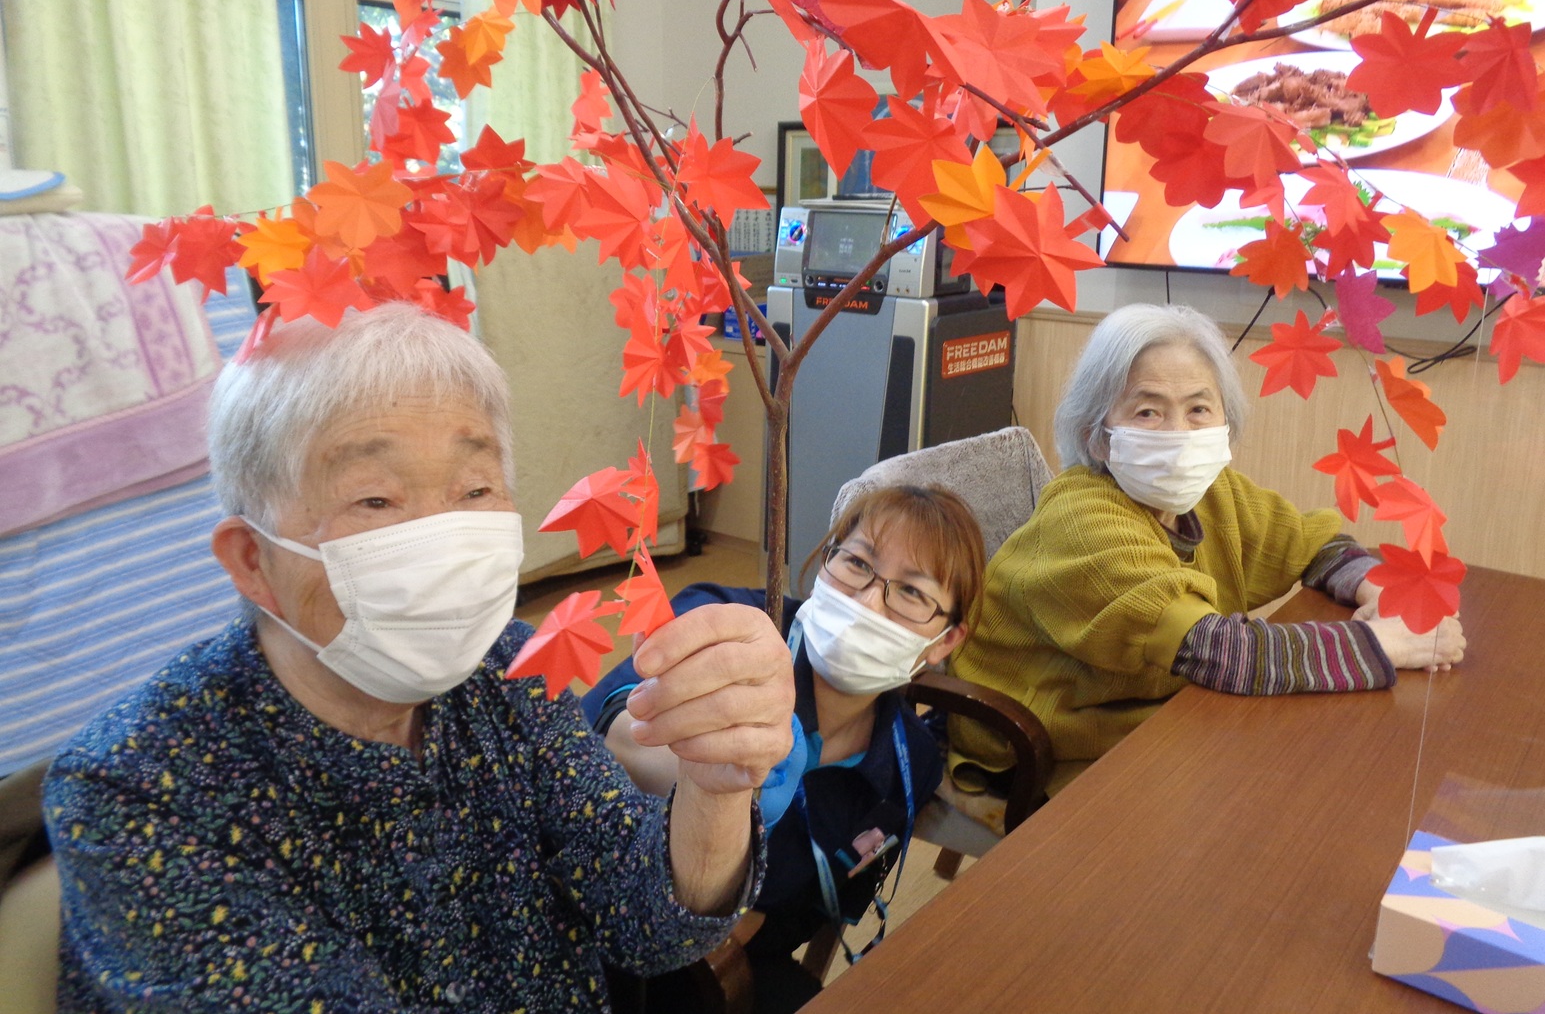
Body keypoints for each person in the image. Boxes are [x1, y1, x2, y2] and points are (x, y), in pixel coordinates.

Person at [41, 303, 795, 1013]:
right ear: (252, 559)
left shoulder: (506, 674)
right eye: (375, 499)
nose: (443, 541)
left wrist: (716, 782)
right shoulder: (139, 786)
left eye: (474, 487)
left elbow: (653, 928)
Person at [948, 302, 1466, 789]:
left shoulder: (1216, 496)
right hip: (1056, 742)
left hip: (1161, 714)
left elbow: (1318, 544)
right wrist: (1389, 645)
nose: (1178, 434)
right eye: (1148, 413)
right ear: (1096, 436)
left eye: (1198, 409)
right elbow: (1220, 652)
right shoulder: (1084, 522)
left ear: (1225, 423)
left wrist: (1382, 594)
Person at [583, 485, 985, 1014]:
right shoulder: (726, 621)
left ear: (944, 642)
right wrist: (708, 772)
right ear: (825, 561)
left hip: (739, 958)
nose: (867, 601)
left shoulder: (908, 766)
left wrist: (757, 927)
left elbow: (831, 900)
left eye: (911, 593)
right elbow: (609, 728)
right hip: (603, 908)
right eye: (858, 562)